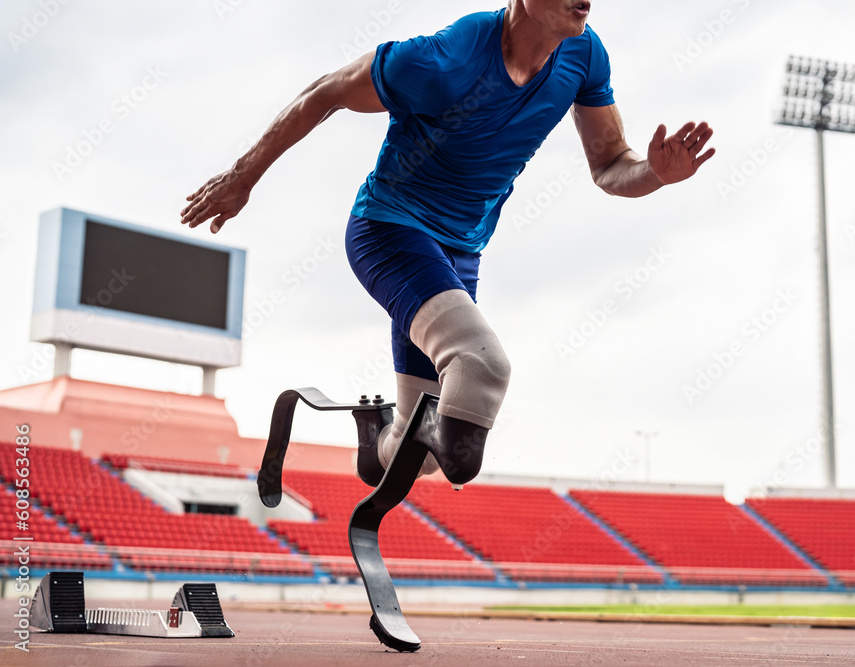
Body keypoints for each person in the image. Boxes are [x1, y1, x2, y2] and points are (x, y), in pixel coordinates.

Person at [181, 0, 715, 488]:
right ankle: (400, 436)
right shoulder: (447, 59)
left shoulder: (585, 54)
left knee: (428, 453)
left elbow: (611, 166)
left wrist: (656, 174)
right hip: (390, 230)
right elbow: (328, 90)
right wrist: (241, 176)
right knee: (481, 370)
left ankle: (374, 440)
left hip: (459, 254)